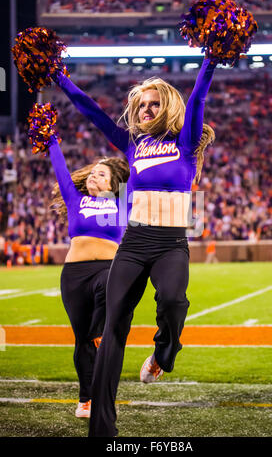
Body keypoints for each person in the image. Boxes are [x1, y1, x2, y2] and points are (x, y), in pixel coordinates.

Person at [52, 56, 216, 436]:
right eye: (140, 104)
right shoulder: (132, 143)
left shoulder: (185, 140)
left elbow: (198, 98)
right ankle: (102, 430)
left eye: (154, 103)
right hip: (134, 242)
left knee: (174, 301)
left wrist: (211, 56)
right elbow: (91, 110)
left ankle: (163, 354)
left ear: (168, 106)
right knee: (112, 330)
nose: (145, 109)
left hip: (171, 243)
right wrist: (59, 77)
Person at [47, 134, 130, 418]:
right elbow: (59, 168)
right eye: (92, 172)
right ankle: (86, 399)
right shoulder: (75, 199)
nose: (94, 175)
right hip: (74, 274)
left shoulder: (122, 201)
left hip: (107, 268)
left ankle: (100, 330)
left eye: (101, 173)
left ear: (112, 183)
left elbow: (137, 169)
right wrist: (51, 139)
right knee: (81, 340)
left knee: (108, 286)